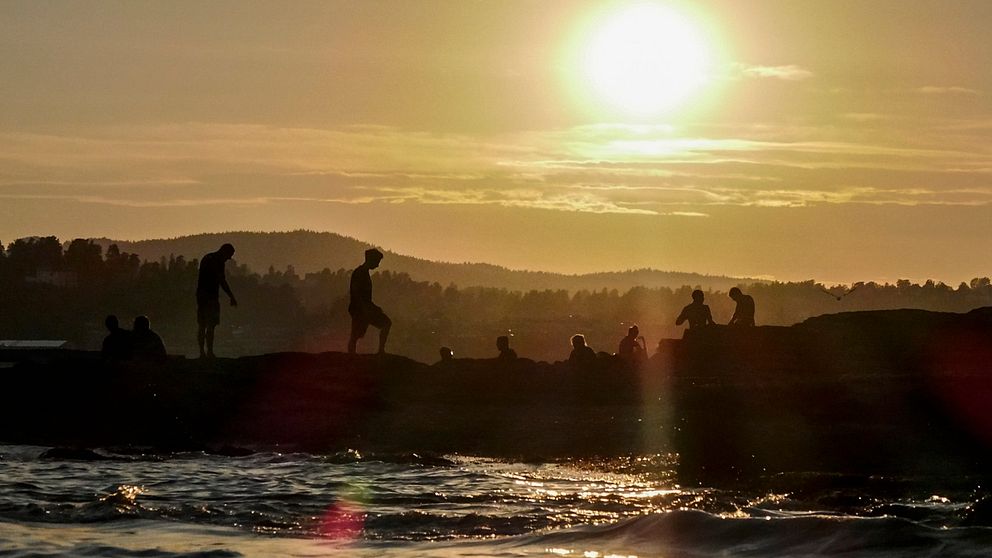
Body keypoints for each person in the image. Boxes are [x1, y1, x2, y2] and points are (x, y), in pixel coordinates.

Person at [196, 243, 238, 358]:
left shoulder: (207, 257)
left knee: (202, 325)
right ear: (225, 252)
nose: (229, 259)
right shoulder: (218, 262)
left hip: (201, 296)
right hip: (211, 297)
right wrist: (231, 296)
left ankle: (202, 353)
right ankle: (209, 352)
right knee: (211, 326)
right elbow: (222, 281)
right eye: (229, 255)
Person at [348, 248, 391, 354]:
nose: (378, 265)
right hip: (360, 309)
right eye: (377, 262)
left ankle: (352, 355)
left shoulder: (362, 272)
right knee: (356, 334)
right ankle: (379, 351)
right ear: (371, 260)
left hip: (363, 309)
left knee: (356, 334)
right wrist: (365, 308)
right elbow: (356, 292)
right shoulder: (360, 273)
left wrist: (373, 307)